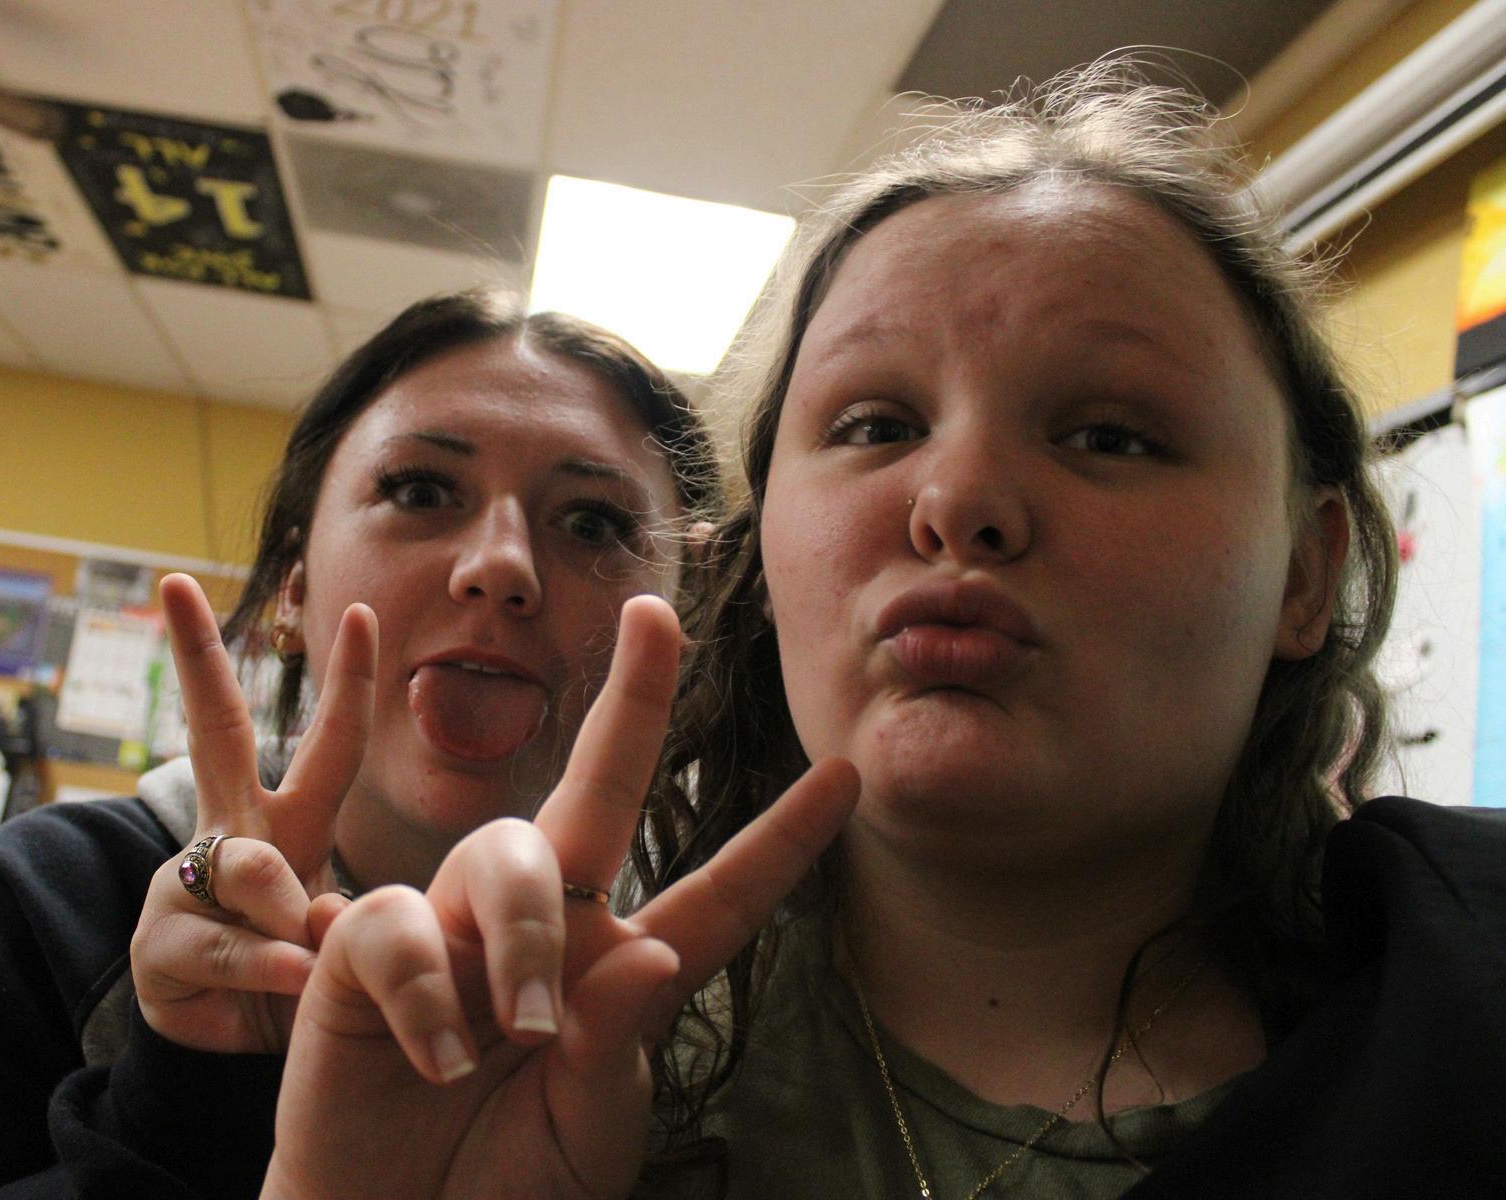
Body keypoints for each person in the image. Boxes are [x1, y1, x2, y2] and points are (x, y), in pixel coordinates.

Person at [252, 62, 1506, 1199]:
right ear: (758, 563)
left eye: (1111, 435)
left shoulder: (1465, 1004)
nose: (957, 499)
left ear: (1307, 572)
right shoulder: (578, 1066)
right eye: (874, 426)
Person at [0, 288, 728, 1198]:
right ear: (292, 590)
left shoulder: (737, 980)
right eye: (419, 490)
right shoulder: (46, 902)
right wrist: (191, 1091)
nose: (500, 565)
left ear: (687, 608)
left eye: (593, 523)